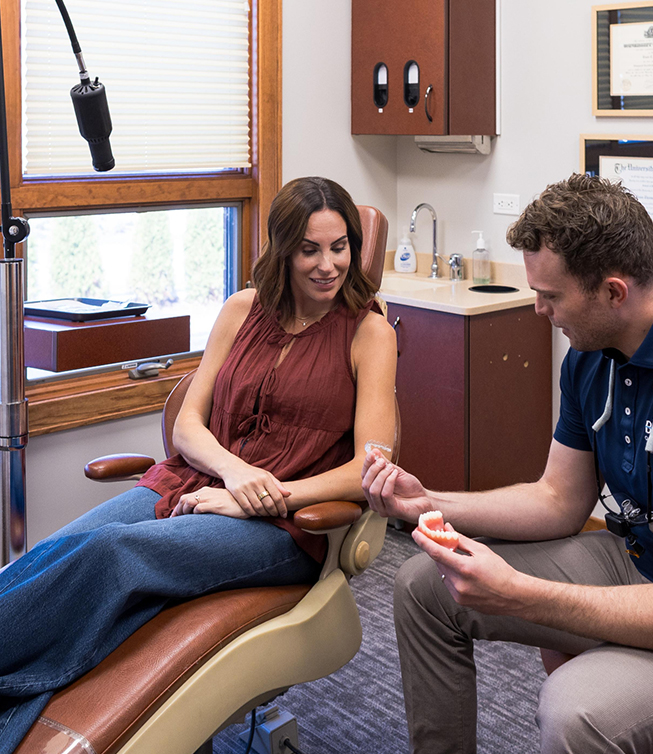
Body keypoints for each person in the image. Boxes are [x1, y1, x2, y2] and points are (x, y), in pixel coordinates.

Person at [362, 174, 653, 754]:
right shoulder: (592, 357)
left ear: (614, 292)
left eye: (552, 295)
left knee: (576, 710)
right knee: (422, 586)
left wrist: (519, 592)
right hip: (644, 560)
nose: (538, 309)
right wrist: (432, 503)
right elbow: (558, 501)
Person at [0, 176, 397, 751]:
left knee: (115, 554)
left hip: (280, 526)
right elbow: (189, 423)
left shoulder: (368, 333)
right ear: (282, 248)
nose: (328, 265)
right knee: (58, 550)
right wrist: (233, 471)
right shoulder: (242, 310)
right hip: (193, 481)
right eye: (310, 249)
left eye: (340, 247)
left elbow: (370, 465)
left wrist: (257, 495)